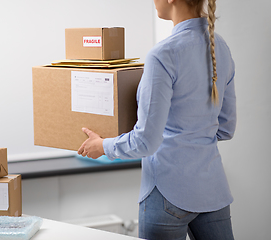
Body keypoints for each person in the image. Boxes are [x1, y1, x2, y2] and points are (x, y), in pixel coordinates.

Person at [77, 0, 236, 239]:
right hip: (213, 189)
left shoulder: (163, 54)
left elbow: (145, 142)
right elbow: (226, 128)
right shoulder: (220, 47)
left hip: (167, 192)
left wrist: (103, 146)